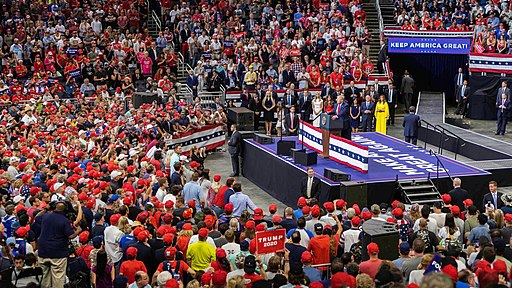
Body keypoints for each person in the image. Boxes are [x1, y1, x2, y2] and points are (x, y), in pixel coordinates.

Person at [38, 202, 83, 288]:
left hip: (43, 251)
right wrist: (78, 231)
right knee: (58, 279)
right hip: (58, 254)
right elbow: (70, 235)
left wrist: (46, 208)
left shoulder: (46, 216)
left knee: (45, 278)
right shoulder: (64, 220)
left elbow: (36, 217)